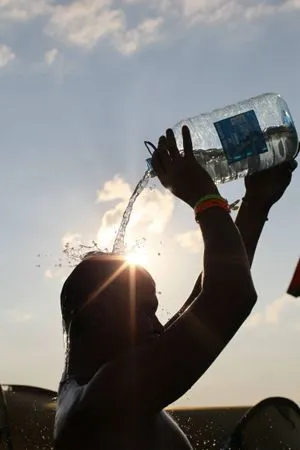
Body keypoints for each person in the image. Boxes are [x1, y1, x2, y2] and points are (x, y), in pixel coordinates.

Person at [54, 126, 296, 450]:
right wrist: (202, 195)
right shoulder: (107, 395)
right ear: (96, 314)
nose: (158, 325)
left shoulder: (93, 388)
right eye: (144, 309)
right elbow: (230, 295)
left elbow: (204, 296)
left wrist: (255, 204)